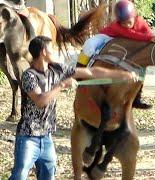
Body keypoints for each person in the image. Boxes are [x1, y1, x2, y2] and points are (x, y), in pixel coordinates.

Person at [9, 36, 137, 180]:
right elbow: (40, 101)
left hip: (46, 137)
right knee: (19, 175)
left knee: (48, 175)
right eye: (53, 49)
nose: (56, 52)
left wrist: (123, 74)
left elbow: (91, 73)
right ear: (43, 52)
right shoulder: (29, 76)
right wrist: (62, 85)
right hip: (28, 137)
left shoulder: (57, 69)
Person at [78, 0, 155, 109]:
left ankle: (137, 97)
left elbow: (149, 34)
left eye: (129, 22)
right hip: (108, 37)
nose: (126, 25)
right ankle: (78, 72)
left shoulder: (141, 22)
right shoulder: (117, 27)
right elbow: (130, 34)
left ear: (134, 16)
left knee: (142, 66)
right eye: (123, 23)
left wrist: (154, 38)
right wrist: (148, 38)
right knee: (89, 45)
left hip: (128, 41)